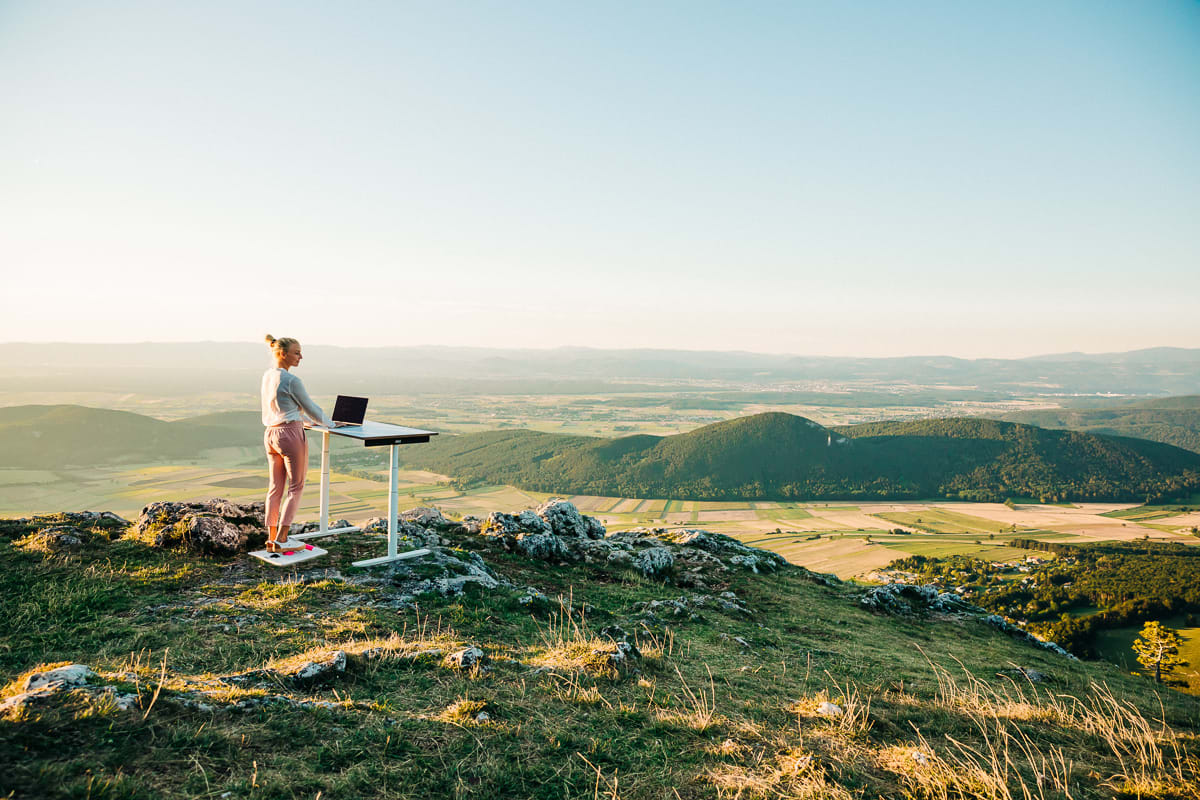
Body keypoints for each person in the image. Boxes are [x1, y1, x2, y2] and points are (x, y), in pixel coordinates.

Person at [260, 334, 340, 553]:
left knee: (275, 488)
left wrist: (301, 419)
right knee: (296, 487)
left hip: (271, 434)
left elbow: (281, 407)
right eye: (297, 353)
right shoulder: (292, 380)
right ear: (283, 353)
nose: (301, 357)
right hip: (290, 435)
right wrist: (332, 424)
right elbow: (312, 408)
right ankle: (283, 540)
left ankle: (271, 538)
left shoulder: (268, 376)